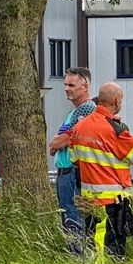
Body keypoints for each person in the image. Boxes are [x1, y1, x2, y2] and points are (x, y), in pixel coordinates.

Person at [68, 83, 133, 261]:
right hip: (112, 201)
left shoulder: (79, 128)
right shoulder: (114, 130)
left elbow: (74, 161)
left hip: (88, 199)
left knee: (93, 243)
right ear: (117, 101)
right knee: (110, 248)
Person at [48, 67, 95, 254]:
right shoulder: (73, 112)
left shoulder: (86, 109)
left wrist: (57, 142)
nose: (67, 88)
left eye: (71, 85)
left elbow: (62, 141)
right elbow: (53, 146)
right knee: (68, 216)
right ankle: (77, 254)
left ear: (85, 86)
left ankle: (79, 258)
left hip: (73, 173)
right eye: (65, 84)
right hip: (66, 173)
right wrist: (56, 143)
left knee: (74, 217)